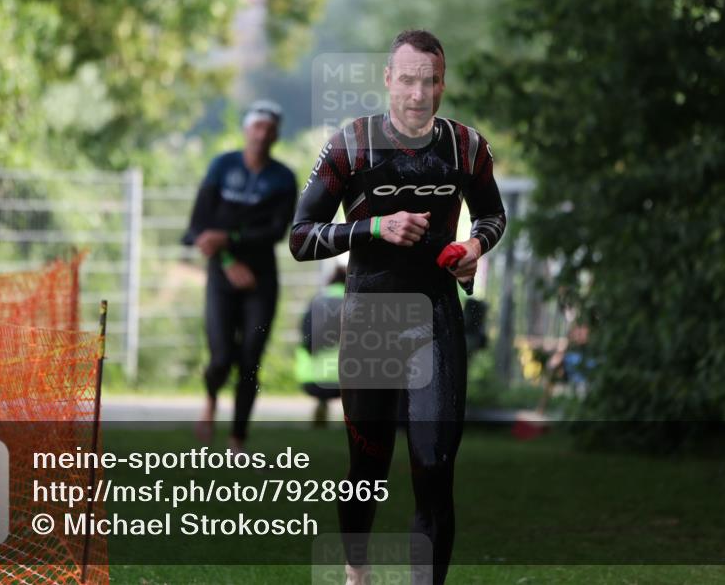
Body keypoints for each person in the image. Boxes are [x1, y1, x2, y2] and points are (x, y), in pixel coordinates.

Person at [289, 30, 507, 585]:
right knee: (368, 469)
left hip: (434, 319)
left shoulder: (466, 147)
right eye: (407, 79)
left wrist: (473, 247)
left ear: (441, 84)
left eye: (429, 81)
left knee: (434, 468)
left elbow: (492, 217)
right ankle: (356, 568)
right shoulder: (352, 145)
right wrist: (374, 227)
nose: (417, 93)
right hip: (369, 320)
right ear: (388, 80)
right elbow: (300, 237)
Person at [183, 100, 297, 453]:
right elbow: (197, 229)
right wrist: (229, 258)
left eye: (269, 128)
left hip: (261, 279)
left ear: (276, 134)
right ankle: (211, 397)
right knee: (221, 356)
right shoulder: (222, 166)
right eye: (257, 126)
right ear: (246, 130)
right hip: (222, 275)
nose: (262, 134)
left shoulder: (283, 178)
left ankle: (237, 439)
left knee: (250, 358)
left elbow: (277, 230)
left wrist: (230, 237)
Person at [295, 265, 346, 426]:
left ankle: (321, 405)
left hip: (310, 379)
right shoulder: (354, 302)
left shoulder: (316, 301)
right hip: (346, 381)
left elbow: (305, 338)